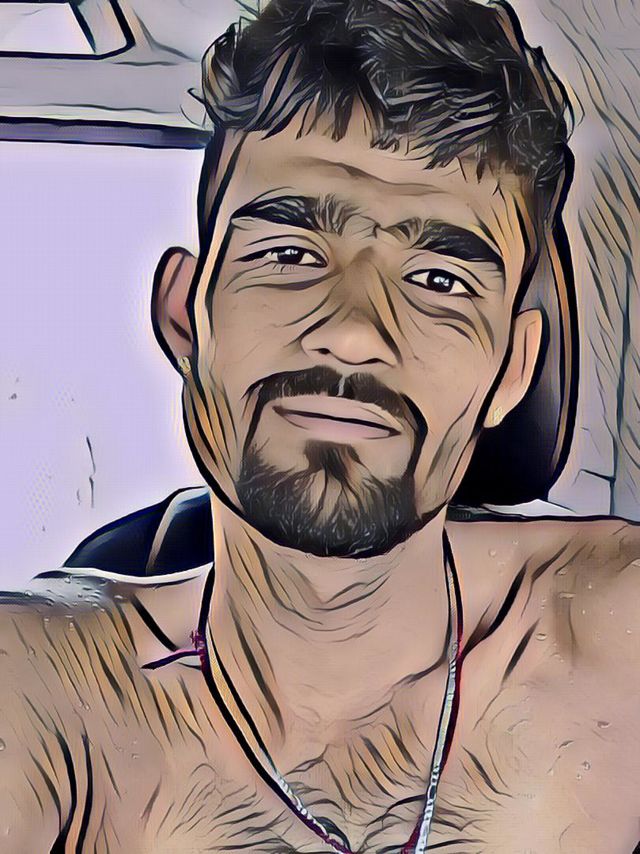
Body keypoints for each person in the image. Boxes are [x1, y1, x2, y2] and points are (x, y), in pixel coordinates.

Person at [2, 0, 640, 851]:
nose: (352, 332)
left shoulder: (618, 636)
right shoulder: (42, 694)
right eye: (290, 254)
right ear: (186, 315)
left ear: (512, 371)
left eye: (440, 280)